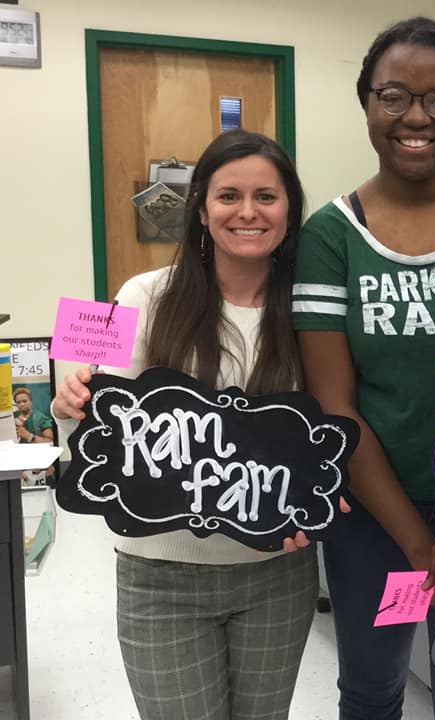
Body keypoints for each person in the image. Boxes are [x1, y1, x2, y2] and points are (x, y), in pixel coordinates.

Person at [52, 129, 317, 720]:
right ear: (200, 209)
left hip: (278, 570)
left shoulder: (309, 307)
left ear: (290, 209)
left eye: (266, 197)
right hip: (161, 572)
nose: (247, 212)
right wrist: (70, 402)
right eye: (228, 196)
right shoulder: (143, 295)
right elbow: (100, 424)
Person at [292, 16, 435, 720]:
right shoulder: (332, 237)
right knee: (376, 686)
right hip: (380, 525)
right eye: (393, 96)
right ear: (367, 104)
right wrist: (418, 544)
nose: (417, 117)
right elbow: (336, 407)